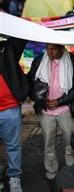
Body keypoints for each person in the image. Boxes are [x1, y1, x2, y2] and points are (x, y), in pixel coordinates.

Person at [27, 43, 74, 188]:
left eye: (53, 49)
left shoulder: (72, 61)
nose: (49, 52)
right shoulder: (39, 61)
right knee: (48, 144)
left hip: (65, 108)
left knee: (70, 142)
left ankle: (72, 171)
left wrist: (59, 102)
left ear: (61, 48)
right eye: (47, 48)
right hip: (46, 110)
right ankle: (51, 174)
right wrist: (41, 100)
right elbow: (31, 84)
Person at [0, 37, 29, 191]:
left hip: (9, 110)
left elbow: (20, 37)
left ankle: (14, 178)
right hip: (9, 111)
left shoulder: (6, 49)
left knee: (13, 146)